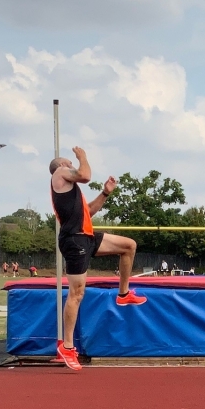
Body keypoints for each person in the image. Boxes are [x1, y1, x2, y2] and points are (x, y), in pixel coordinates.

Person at [50, 146, 147, 371]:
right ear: (62, 166)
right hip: (75, 240)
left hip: (87, 236)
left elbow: (89, 211)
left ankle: (123, 294)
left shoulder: (70, 191)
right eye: (69, 162)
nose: (72, 164)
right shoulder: (59, 173)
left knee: (129, 246)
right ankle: (67, 346)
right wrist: (82, 156)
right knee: (77, 293)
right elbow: (85, 175)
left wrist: (105, 193)